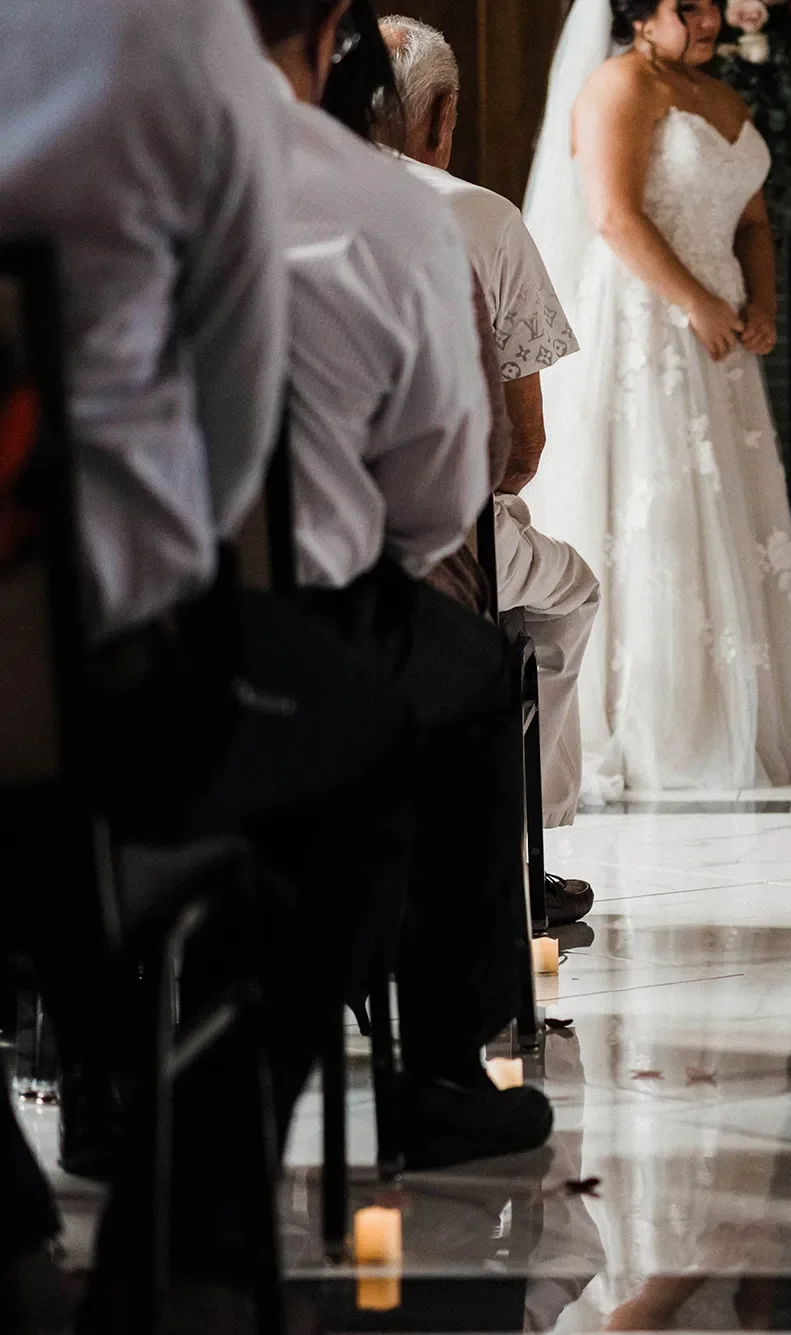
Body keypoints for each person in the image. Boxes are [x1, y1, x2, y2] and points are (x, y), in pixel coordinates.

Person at [0, 0, 412, 1322]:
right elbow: (237, 446)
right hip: (116, 704)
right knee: (364, 740)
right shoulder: (180, 44)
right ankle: (195, 1218)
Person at [259, 0, 555, 1163]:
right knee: (467, 673)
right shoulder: (383, 211)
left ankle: (86, 1059)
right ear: (328, 35)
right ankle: (433, 1064)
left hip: (60, 677)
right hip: (276, 657)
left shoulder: (56, 164)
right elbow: (448, 500)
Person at [521, 0, 791, 794]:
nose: (709, 19)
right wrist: (695, 302)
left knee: (726, 513)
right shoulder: (619, 86)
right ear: (638, 13)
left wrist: (761, 300)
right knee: (658, 509)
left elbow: (754, 222)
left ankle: (733, 715)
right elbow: (613, 215)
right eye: (689, 6)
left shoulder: (725, 96)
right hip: (647, 326)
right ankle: (656, 727)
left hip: (720, 344)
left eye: (711, 5)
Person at [380, 13, 600, 924]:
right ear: (441, 116)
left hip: (263, 560)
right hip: (434, 551)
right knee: (569, 594)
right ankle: (513, 850)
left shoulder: (245, 199)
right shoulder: (475, 217)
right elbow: (521, 450)